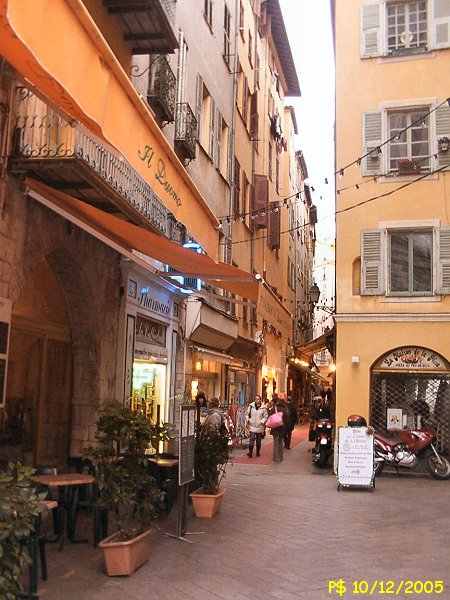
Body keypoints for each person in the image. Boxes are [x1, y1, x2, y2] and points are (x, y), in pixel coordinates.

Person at [268, 397, 286, 462]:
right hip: (281, 428)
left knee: (276, 443)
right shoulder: (284, 409)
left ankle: (276, 457)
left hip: (275, 428)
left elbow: (269, 415)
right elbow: (287, 418)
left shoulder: (274, 408)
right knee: (280, 442)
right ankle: (281, 456)